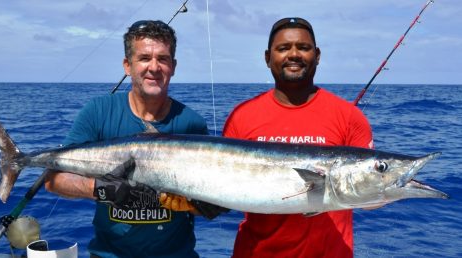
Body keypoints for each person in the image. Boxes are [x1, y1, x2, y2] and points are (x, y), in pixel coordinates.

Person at [44, 20, 223, 258]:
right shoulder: (98, 111)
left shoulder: (191, 123)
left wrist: (208, 205)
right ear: (127, 66)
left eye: (163, 58)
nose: (154, 67)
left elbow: (200, 199)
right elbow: (53, 179)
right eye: (144, 58)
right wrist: (101, 189)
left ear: (173, 66)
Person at [223, 17, 374, 258]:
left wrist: (387, 185)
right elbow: (224, 187)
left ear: (318, 55)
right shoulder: (241, 117)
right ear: (267, 57)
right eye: (283, 48)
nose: (294, 54)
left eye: (303, 47)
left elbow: (367, 195)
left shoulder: (350, 117)